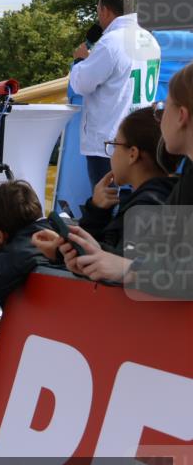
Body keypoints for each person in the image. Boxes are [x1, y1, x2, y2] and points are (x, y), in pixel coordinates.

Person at [57, 61, 193, 299]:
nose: (160, 119)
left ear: (181, 115)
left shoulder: (152, 201)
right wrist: (97, 255)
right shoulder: (184, 181)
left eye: (165, 106)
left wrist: (126, 268)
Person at [33, 106, 174, 259]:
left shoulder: (147, 208)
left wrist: (59, 253)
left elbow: (118, 267)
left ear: (132, 154)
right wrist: (98, 209)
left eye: (114, 144)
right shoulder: (168, 195)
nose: (111, 154)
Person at [69, 0, 161, 190]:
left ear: (105, 10)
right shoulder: (150, 40)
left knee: (107, 206)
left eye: (98, 12)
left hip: (108, 144)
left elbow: (81, 84)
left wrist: (80, 62)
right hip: (140, 139)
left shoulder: (111, 42)